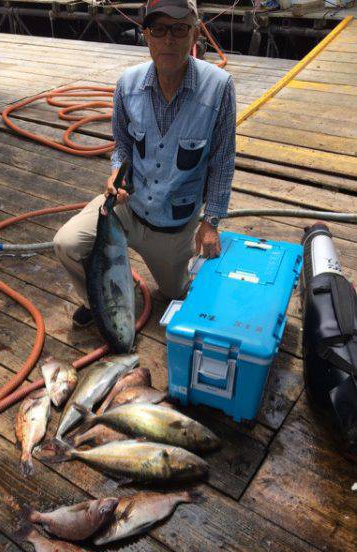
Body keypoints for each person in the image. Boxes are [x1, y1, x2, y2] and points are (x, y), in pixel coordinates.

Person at [54, 0, 236, 327]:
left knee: (178, 293)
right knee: (66, 243)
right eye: (159, 29)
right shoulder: (127, 84)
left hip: (174, 224)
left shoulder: (220, 87)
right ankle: (98, 302)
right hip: (127, 208)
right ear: (146, 36)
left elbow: (223, 160)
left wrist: (212, 222)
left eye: (179, 29)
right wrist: (116, 173)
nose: (169, 39)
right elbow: (123, 147)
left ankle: (147, 277)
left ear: (194, 33)